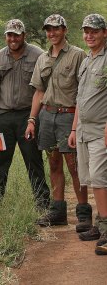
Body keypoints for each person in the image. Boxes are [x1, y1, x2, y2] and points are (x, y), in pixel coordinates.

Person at [25, 14, 92, 232]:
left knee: (74, 165)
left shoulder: (78, 55)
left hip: (69, 115)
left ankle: (83, 213)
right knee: (54, 163)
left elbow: (83, 93)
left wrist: (76, 125)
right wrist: (32, 120)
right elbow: (39, 91)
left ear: (64, 30)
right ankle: (58, 212)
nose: (51, 33)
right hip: (47, 115)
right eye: (48, 29)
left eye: (55, 29)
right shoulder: (43, 59)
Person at [0, 19, 50, 210]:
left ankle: (42, 204)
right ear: (5, 36)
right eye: (9, 35)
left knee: (33, 160)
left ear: (24, 35)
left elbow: (43, 89)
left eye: (17, 34)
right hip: (3, 117)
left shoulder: (38, 55)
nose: (13, 39)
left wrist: (35, 118)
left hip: (28, 117)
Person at [68, 14, 107, 255]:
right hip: (83, 129)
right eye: (86, 31)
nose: (89, 35)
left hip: (101, 129)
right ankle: (101, 224)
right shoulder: (86, 60)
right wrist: (74, 128)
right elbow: (80, 99)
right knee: (90, 179)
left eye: (94, 31)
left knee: (100, 178)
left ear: (104, 33)